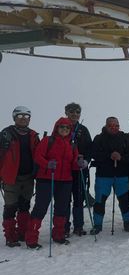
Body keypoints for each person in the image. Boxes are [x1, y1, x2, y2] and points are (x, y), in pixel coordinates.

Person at [27, 117, 79, 248]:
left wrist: (79, 164)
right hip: (46, 179)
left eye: (67, 128)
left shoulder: (72, 144)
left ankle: (58, 235)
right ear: (57, 128)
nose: (64, 130)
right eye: (62, 127)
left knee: (62, 208)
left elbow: (73, 163)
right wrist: (47, 164)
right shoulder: (47, 140)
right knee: (40, 208)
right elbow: (37, 157)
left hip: (65, 180)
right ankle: (31, 238)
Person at [1, 106, 39, 247]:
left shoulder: (33, 135)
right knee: (10, 206)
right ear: (14, 117)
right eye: (20, 116)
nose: (23, 119)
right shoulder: (6, 134)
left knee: (25, 205)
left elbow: (38, 155)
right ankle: (10, 236)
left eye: (26, 116)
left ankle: (22, 232)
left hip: (28, 177)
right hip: (11, 177)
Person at [90, 117, 129, 234]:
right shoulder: (99, 138)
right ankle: (98, 225)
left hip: (122, 175)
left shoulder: (126, 138)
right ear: (106, 126)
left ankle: (127, 223)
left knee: (124, 200)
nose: (114, 127)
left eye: (116, 125)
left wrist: (121, 157)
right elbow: (93, 153)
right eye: (111, 125)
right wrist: (109, 156)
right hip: (103, 175)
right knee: (100, 201)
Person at [64, 102, 92, 236]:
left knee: (79, 198)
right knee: (63, 199)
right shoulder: (61, 127)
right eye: (71, 112)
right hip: (64, 170)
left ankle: (78, 226)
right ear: (66, 113)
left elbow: (89, 148)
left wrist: (86, 160)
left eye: (77, 112)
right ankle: (63, 226)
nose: (74, 114)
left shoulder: (83, 129)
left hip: (80, 169)